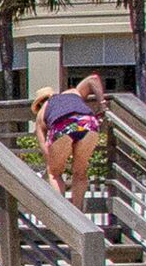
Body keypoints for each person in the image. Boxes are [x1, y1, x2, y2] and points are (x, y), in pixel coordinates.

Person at [37, 72, 106, 209]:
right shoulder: (73, 92)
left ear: (39, 104)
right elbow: (93, 79)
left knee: (54, 172)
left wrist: (53, 162)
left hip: (63, 125)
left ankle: (64, 214)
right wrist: (102, 106)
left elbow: (44, 146)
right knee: (80, 172)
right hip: (88, 122)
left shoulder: (41, 113)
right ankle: (78, 213)